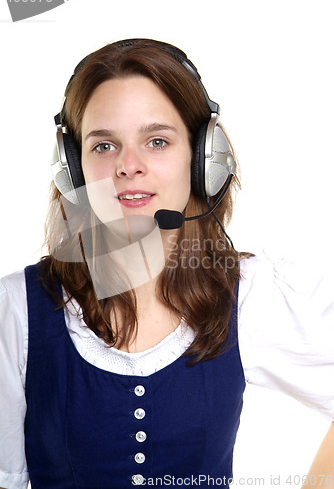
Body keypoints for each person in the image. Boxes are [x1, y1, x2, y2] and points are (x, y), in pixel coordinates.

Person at [0, 38, 333, 489]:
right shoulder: (17, 308)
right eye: (103, 146)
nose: (128, 165)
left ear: (203, 159)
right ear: (72, 169)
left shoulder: (251, 295)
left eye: (157, 141)